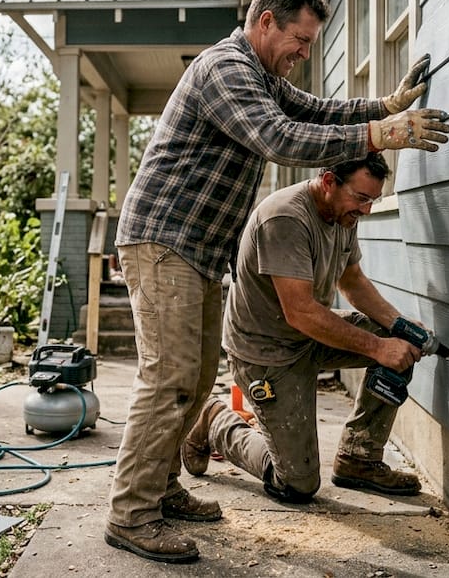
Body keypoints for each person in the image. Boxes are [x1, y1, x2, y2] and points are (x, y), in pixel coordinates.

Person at [105, 0, 449, 564]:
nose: (305, 52)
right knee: (170, 378)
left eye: (312, 43)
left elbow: (316, 109)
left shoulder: (264, 77)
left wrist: (384, 107)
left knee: (195, 376)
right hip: (164, 239)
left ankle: (161, 488)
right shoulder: (226, 69)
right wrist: (380, 133)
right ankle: (130, 514)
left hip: (198, 249)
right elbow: (278, 137)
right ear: (266, 21)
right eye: (301, 38)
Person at [182, 153, 428, 512]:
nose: (367, 210)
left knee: (399, 344)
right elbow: (300, 312)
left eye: (373, 200)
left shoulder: (343, 213)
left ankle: (359, 458)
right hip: (267, 352)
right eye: (361, 198)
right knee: (296, 483)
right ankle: (215, 420)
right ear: (328, 181)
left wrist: (399, 325)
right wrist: (378, 347)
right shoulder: (285, 218)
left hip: (309, 333)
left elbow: (352, 280)